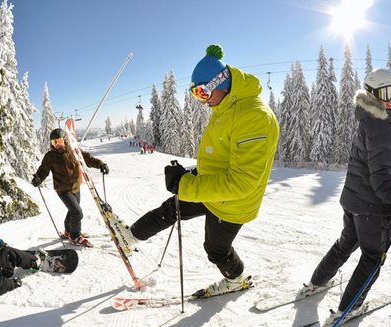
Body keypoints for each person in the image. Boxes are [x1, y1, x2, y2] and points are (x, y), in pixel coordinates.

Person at [110, 44, 279, 294]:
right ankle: (131, 237)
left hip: (232, 204)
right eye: (195, 94)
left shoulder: (253, 117)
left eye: (202, 93)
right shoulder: (225, 106)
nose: (201, 100)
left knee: (215, 249)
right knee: (172, 207)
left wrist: (187, 184)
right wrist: (188, 176)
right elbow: (221, 155)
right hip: (214, 188)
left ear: (219, 82)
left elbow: (242, 182)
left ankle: (236, 280)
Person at [302, 68, 391, 320]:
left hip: (354, 202)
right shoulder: (380, 126)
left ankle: (317, 282)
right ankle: (349, 307)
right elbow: (380, 175)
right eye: (386, 93)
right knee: (372, 257)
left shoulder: (369, 120)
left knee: (344, 245)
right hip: (372, 208)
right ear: (372, 94)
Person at [32, 128, 109, 247]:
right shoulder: (50, 156)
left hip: (76, 187)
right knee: (77, 213)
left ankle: (68, 231)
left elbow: (88, 159)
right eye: (54, 142)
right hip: (62, 189)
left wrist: (100, 164)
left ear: (65, 140)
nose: (57, 145)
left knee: (72, 211)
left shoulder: (74, 151)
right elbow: (43, 170)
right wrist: (38, 178)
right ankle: (75, 236)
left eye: (59, 141)